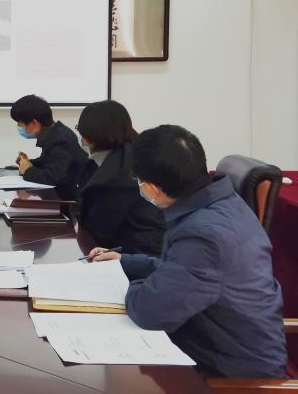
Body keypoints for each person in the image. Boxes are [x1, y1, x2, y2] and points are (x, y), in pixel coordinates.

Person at [90, 125, 286, 378]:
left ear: (152, 188)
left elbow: (151, 311)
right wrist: (125, 262)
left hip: (233, 375)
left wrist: (127, 286)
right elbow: (183, 271)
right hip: (210, 343)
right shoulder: (222, 203)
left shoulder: (204, 234)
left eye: (139, 181)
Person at [74, 100, 165, 255]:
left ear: (98, 135)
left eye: (85, 134)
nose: (82, 141)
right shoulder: (131, 153)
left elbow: (99, 227)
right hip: (130, 245)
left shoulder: (120, 173)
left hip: (136, 253)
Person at [10, 94, 88, 200]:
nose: (20, 127)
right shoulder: (55, 133)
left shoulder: (61, 141)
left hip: (68, 202)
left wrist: (28, 170)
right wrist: (28, 163)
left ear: (34, 123)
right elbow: (48, 162)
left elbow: (52, 178)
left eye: (21, 124)